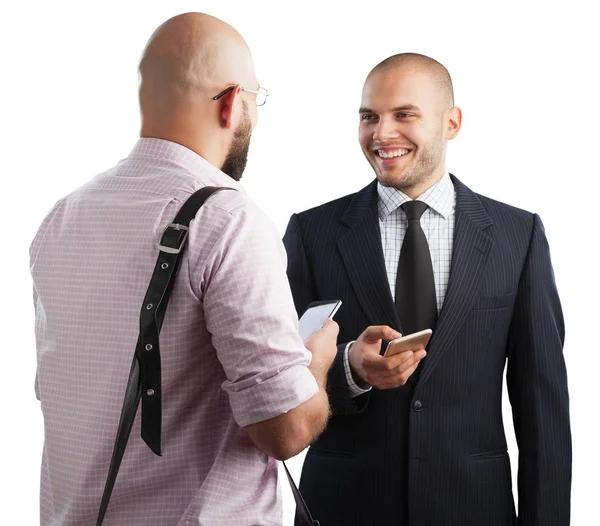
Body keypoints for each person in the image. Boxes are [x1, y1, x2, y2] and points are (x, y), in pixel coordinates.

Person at [29, 12, 338, 526]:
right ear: (231, 102)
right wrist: (319, 360)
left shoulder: (64, 215)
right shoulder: (228, 220)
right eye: (255, 102)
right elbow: (284, 430)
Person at [283, 53, 571, 526]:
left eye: (404, 115)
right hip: (343, 508)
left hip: (474, 509)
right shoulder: (312, 234)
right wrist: (352, 371)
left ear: (451, 122)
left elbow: (544, 410)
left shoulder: (517, 237)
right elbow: (278, 378)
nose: (381, 134)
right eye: (369, 117)